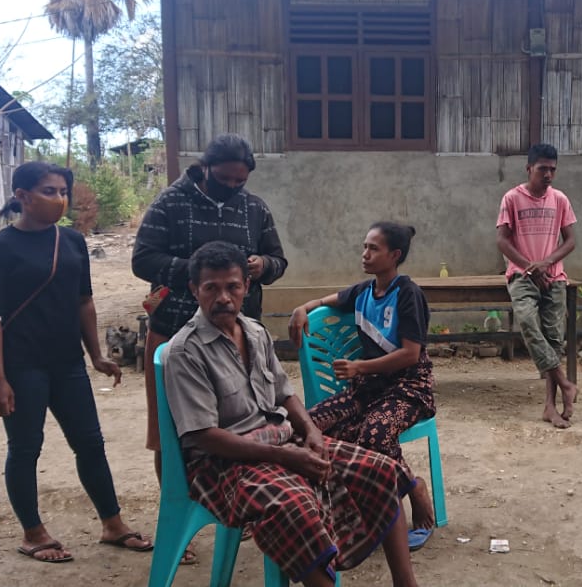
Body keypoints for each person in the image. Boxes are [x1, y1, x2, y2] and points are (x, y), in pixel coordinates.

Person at [163, 241, 420, 587]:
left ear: (246, 287)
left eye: (232, 287)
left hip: (280, 440)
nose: (223, 297)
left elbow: (285, 393)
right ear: (195, 290)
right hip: (221, 464)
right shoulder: (185, 351)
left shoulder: (254, 332)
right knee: (293, 506)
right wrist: (286, 457)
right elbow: (202, 436)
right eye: (211, 288)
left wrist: (312, 433)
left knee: (380, 469)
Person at [0, 161, 152, 563]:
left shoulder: (72, 242)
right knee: (25, 448)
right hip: (22, 367)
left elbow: (84, 302)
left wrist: (96, 356)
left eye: (62, 191)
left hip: (67, 363)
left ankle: (113, 523)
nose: (59, 199)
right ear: (22, 197)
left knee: (90, 444)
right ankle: (33, 532)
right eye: (49, 191)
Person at [133, 134, 287, 565]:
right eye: (225, 180)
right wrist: (208, 272)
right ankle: (177, 520)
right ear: (205, 170)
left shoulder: (254, 207)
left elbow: (279, 260)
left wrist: (262, 267)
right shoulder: (171, 204)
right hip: (175, 335)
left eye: (241, 181)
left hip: (237, 340)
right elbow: (142, 260)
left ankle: (251, 508)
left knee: (247, 424)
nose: (234, 188)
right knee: (173, 434)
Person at [288, 222, 436, 549]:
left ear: (394, 255)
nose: (364, 254)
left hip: (407, 389)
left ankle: (414, 490)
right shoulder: (364, 291)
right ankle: (345, 508)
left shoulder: (408, 294)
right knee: (307, 426)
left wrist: (359, 367)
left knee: (375, 434)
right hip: (367, 390)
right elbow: (332, 298)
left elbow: (411, 354)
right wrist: (303, 308)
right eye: (364, 246)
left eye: (373, 248)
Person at [496, 143, 579, 429]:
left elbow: (570, 241)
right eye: (543, 168)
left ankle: (550, 407)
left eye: (553, 169)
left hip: (554, 277)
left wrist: (547, 262)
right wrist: (530, 267)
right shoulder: (511, 198)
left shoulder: (560, 200)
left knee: (554, 339)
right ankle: (566, 383)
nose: (548, 175)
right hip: (521, 277)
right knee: (529, 325)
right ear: (529, 168)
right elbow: (502, 241)